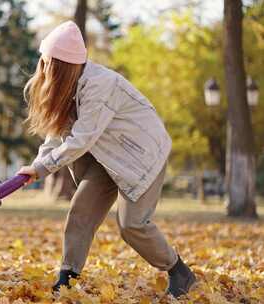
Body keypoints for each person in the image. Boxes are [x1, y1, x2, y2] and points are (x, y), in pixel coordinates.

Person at [17, 21, 196, 298]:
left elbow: (81, 139)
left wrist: (42, 168)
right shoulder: (68, 89)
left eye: (47, 64)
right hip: (108, 155)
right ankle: (68, 278)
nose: (43, 69)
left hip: (142, 154)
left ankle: (179, 271)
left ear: (61, 67)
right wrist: (35, 167)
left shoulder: (101, 86)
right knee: (81, 211)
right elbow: (56, 136)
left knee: (132, 225)